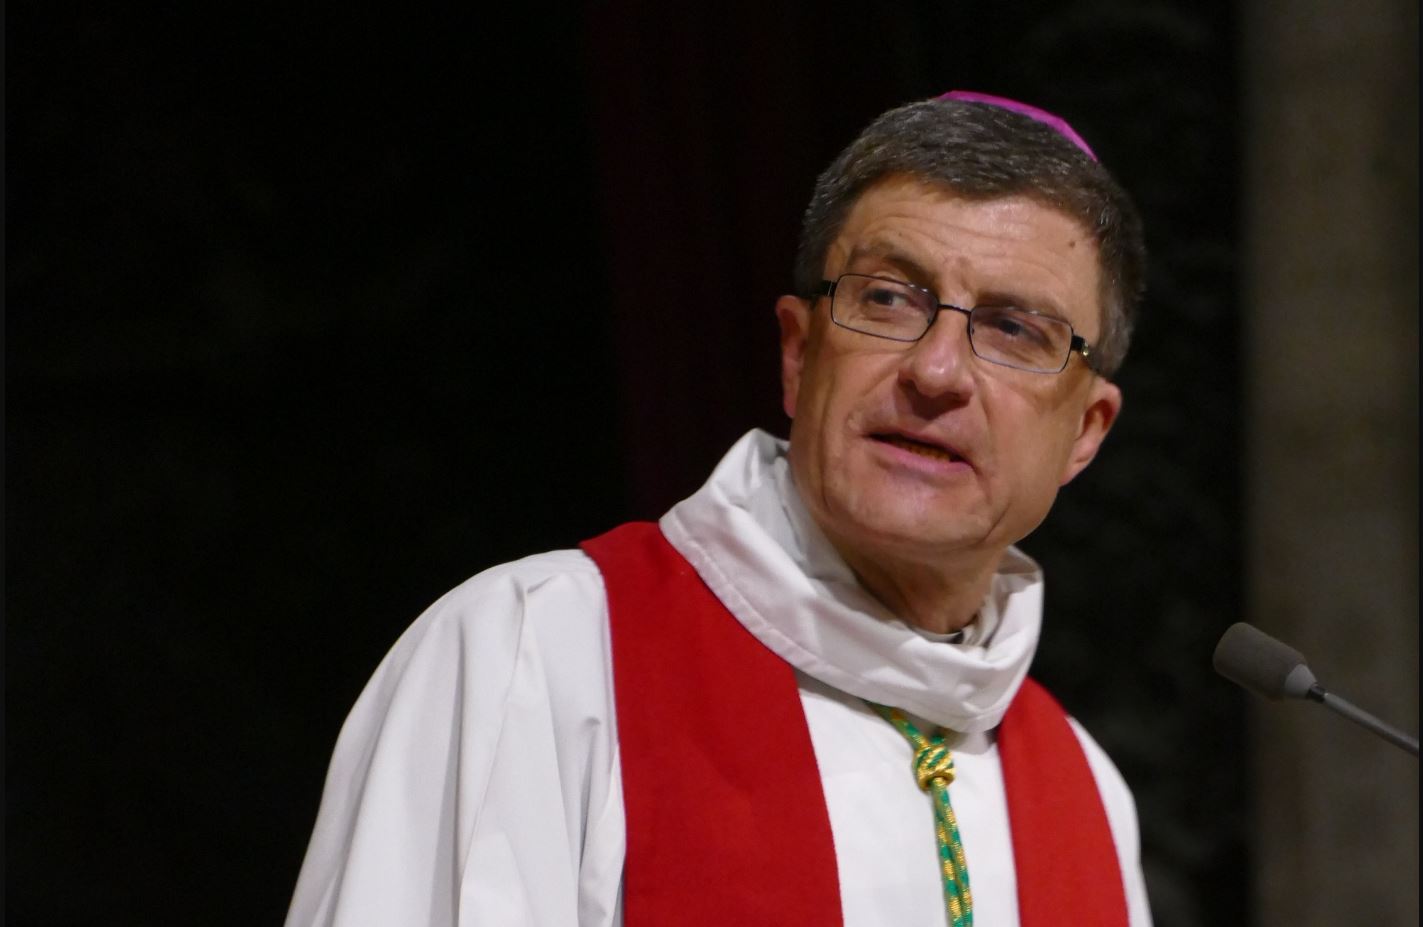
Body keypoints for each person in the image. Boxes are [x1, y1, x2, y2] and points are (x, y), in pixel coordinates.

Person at [286, 91, 1153, 927]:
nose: (935, 372)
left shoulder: (1084, 793)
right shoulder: (538, 652)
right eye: (888, 298)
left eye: (1014, 330)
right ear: (798, 353)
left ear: (1085, 431)